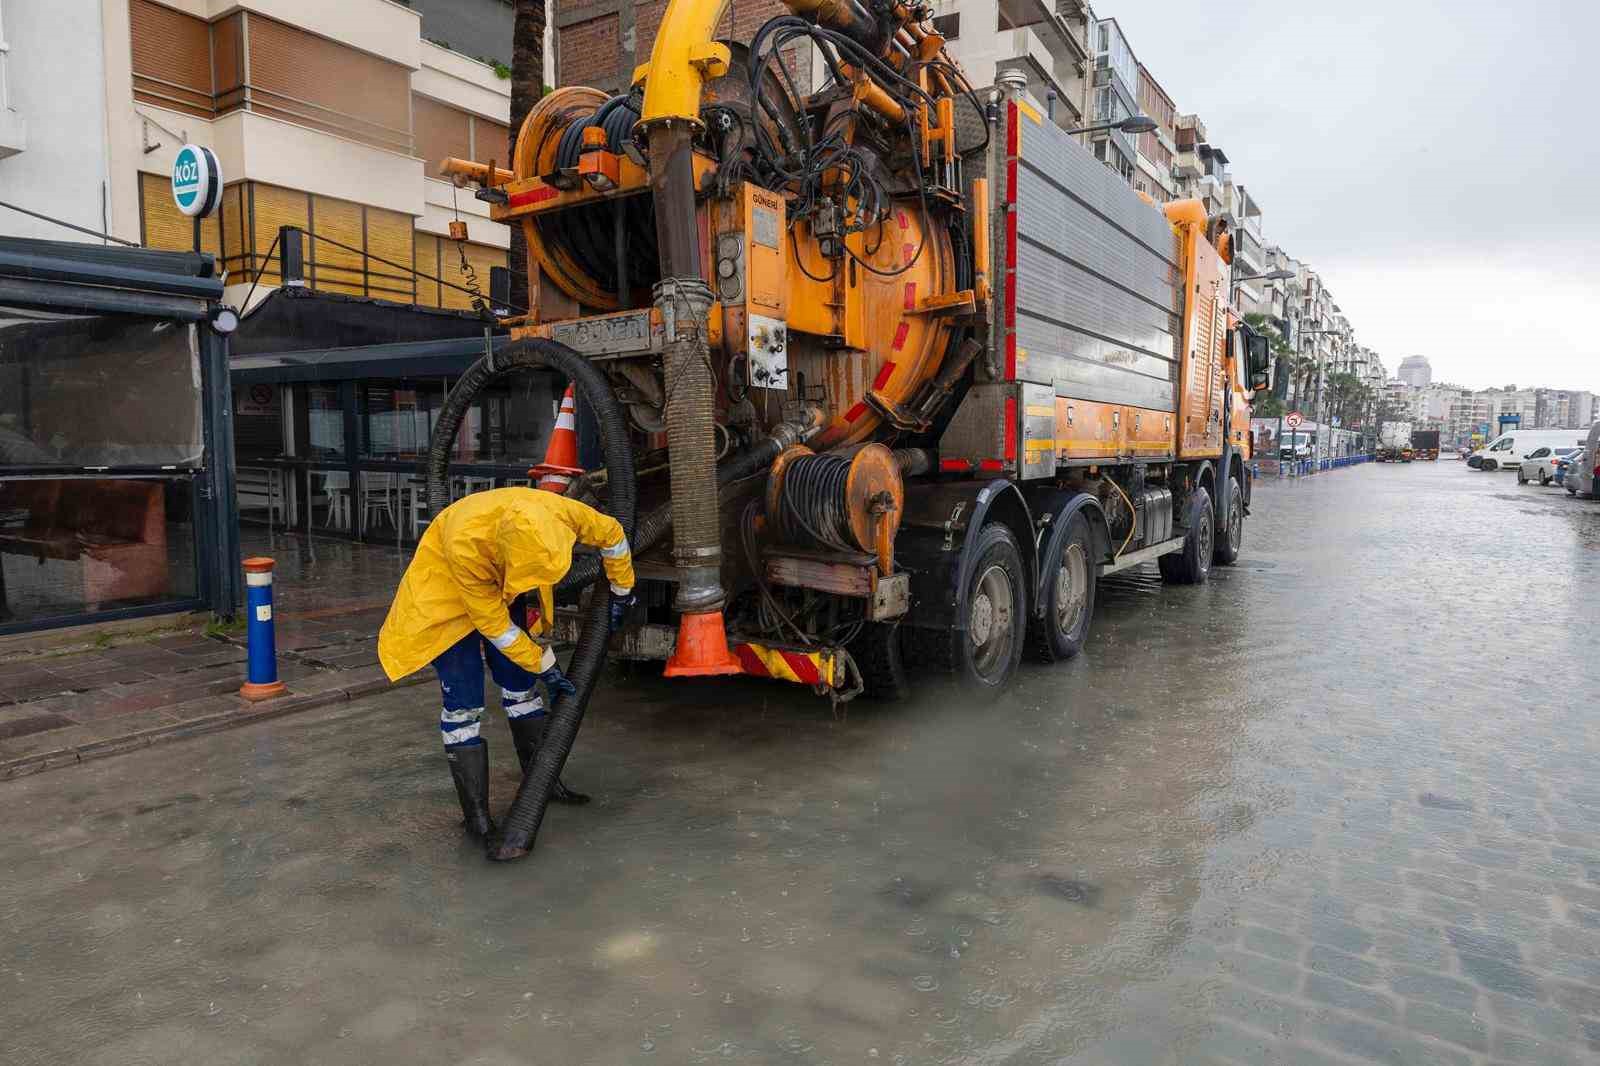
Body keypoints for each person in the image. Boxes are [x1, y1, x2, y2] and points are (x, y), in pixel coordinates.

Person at [378, 487, 635, 838]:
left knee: (519, 682)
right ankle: (477, 819)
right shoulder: (466, 544)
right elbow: (495, 628)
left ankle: (544, 782)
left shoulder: (560, 512)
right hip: (445, 601)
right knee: (464, 703)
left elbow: (614, 536)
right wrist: (545, 664)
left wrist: (623, 590)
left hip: (498, 583)